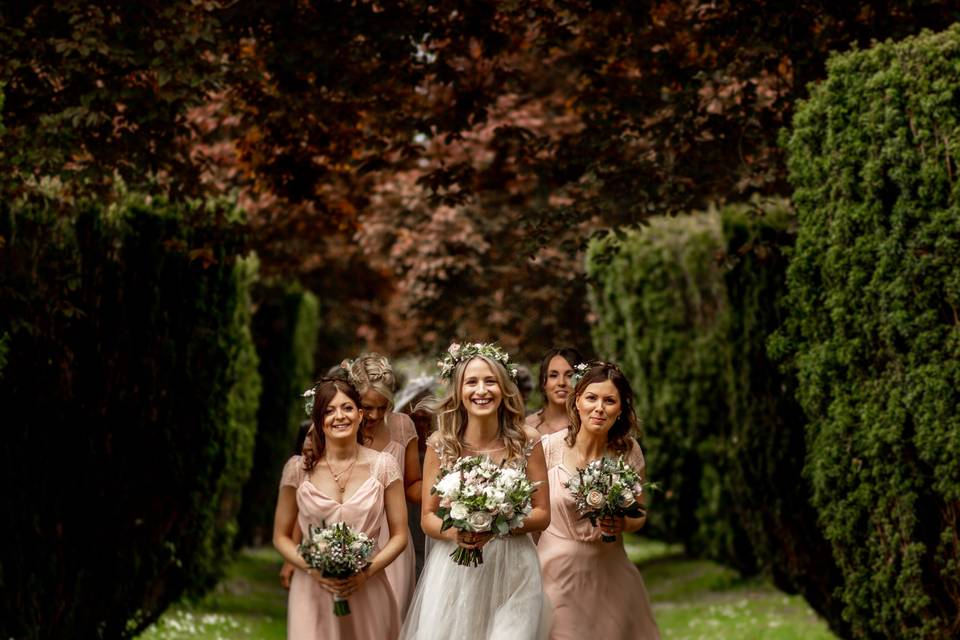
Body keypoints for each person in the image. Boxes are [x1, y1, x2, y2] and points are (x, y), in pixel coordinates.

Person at [400, 343, 551, 640]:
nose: (481, 390)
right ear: (459, 391)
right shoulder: (440, 444)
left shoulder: (527, 441)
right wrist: (458, 533)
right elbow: (428, 517)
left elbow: (543, 513)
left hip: (514, 569)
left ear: (504, 388)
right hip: (456, 570)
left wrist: (498, 522)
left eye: (490, 381)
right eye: (472, 382)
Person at [273, 379, 408, 639]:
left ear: (360, 414)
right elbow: (280, 537)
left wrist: (365, 573)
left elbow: (400, 536)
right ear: (318, 420)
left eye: (346, 408)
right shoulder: (297, 470)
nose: (339, 416)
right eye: (329, 410)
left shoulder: (385, 466)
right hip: (312, 588)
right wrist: (313, 568)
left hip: (368, 587)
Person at [537, 362, 660, 640]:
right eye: (592, 398)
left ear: (621, 408)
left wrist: (622, 522)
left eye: (610, 400)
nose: (599, 408)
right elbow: (531, 513)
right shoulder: (548, 448)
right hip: (555, 577)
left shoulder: (628, 451)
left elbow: (639, 515)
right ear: (577, 400)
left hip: (610, 575)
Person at [347, 353, 421, 616]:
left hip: (393, 541)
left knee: (392, 619)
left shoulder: (402, 426)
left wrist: (445, 487)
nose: (376, 415)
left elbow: (413, 485)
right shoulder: (340, 426)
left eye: (383, 407)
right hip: (348, 536)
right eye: (367, 407)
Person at [525, 348, 584, 436]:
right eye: (553, 375)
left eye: (569, 375)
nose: (561, 383)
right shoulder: (528, 426)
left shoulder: (588, 425)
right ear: (543, 382)